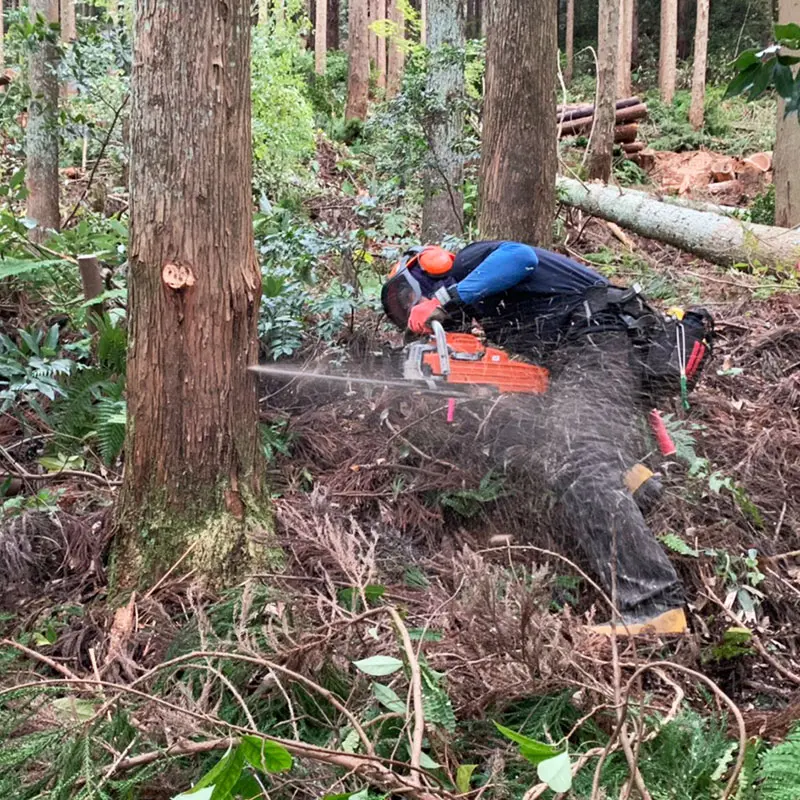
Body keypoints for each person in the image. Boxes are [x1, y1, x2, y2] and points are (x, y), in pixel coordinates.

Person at [381, 240, 699, 636]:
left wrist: (444, 298)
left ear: (429, 267)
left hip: (598, 339)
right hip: (585, 352)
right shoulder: (490, 309)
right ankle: (635, 483)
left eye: (409, 298)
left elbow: (521, 258)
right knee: (538, 437)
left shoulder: (469, 262)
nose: (414, 309)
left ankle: (656, 606)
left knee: (585, 467)